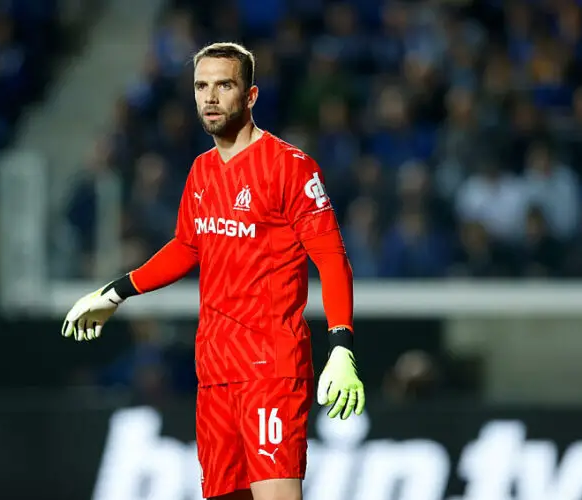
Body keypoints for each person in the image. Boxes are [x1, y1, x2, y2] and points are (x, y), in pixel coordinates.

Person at [62, 42, 365, 500]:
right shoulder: (202, 171)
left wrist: (340, 345)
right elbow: (187, 247)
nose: (210, 96)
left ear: (251, 96)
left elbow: (331, 259)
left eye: (224, 85)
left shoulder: (291, 168)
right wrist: (116, 292)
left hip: (271, 369)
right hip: (215, 371)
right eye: (202, 85)